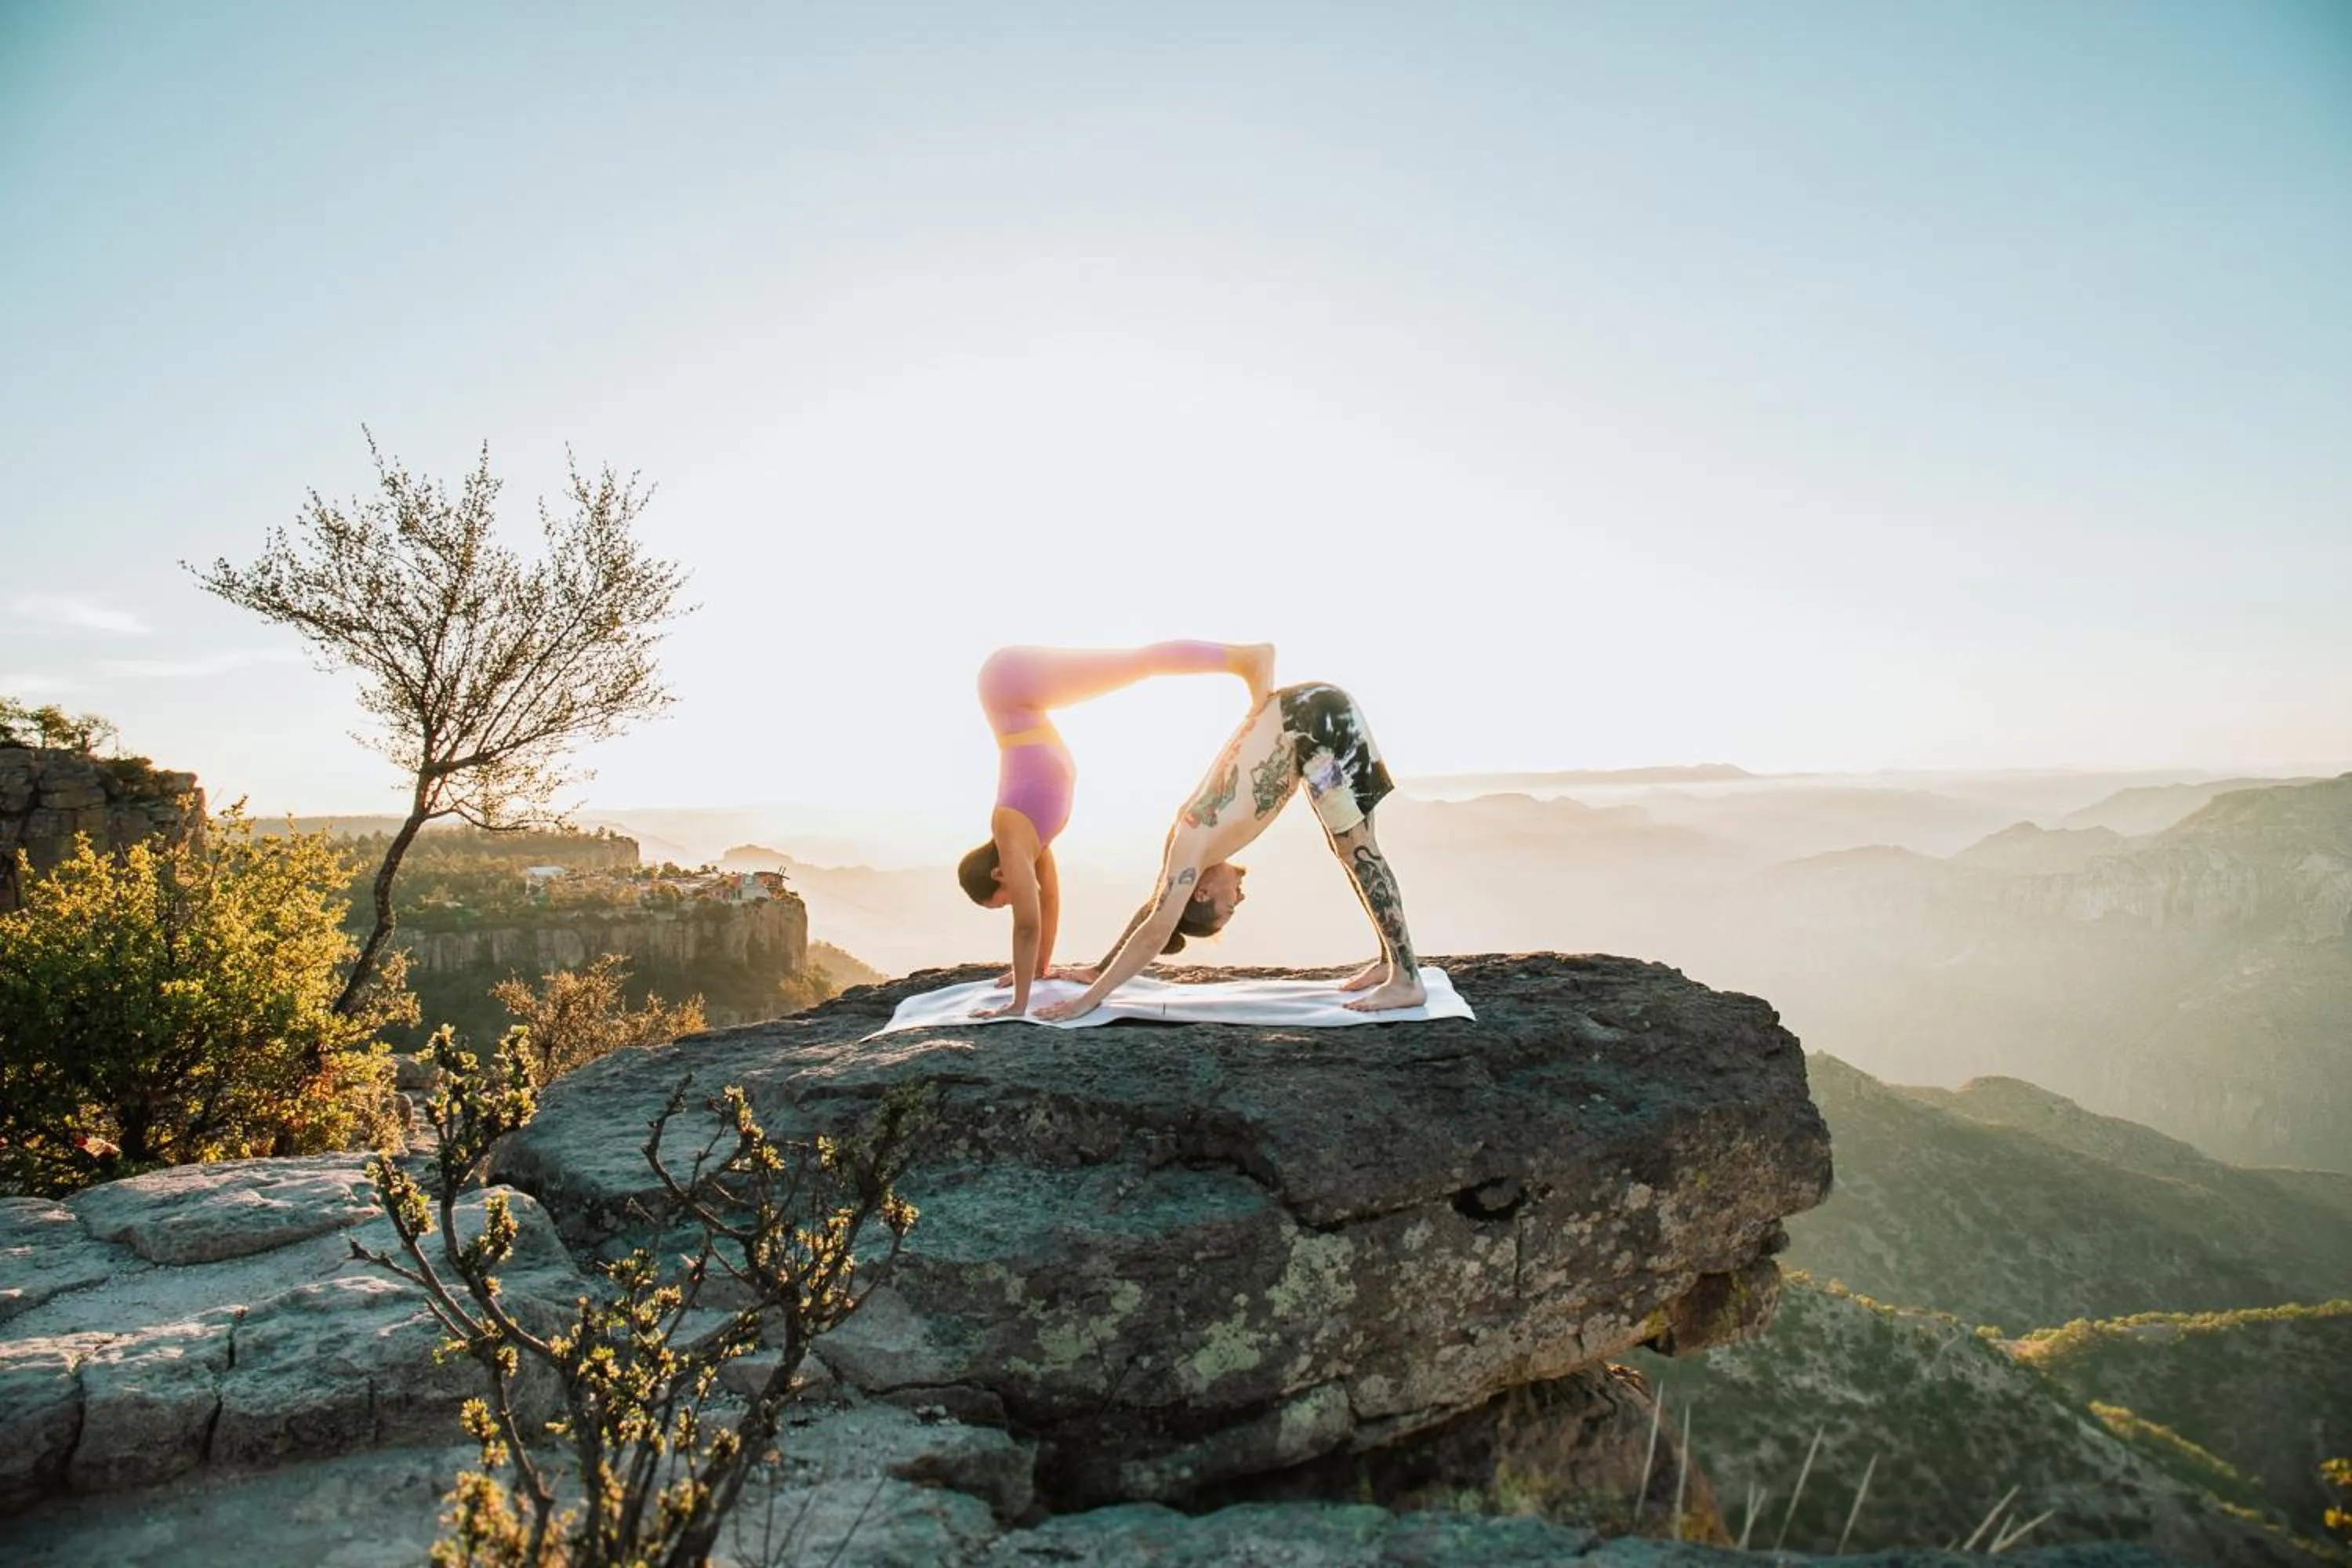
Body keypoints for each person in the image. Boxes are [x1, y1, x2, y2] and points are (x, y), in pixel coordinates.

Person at [1036, 681, 1426, 1022]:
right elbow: (1156, 910)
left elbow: (1155, 929)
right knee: (1352, 848)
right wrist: (1098, 968)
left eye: (1231, 906)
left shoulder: (1190, 847)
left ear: (1201, 893)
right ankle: (1391, 962)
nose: (1241, 896)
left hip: (1309, 724)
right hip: (1311, 714)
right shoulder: (1185, 850)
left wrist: (1089, 1000)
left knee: (1357, 850)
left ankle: (1406, 979)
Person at [960, 642, 1273, 1018]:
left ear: (998, 873)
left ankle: (1245, 659)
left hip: (1007, 685)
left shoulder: (1009, 830)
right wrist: (1039, 971)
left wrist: (1018, 1006)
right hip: (1020, 700)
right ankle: (1243, 660)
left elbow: (1027, 925)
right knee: (1141, 665)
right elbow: (1049, 904)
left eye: (1005, 897)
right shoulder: (1030, 842)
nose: (1016, 898)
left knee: (1141, 664)